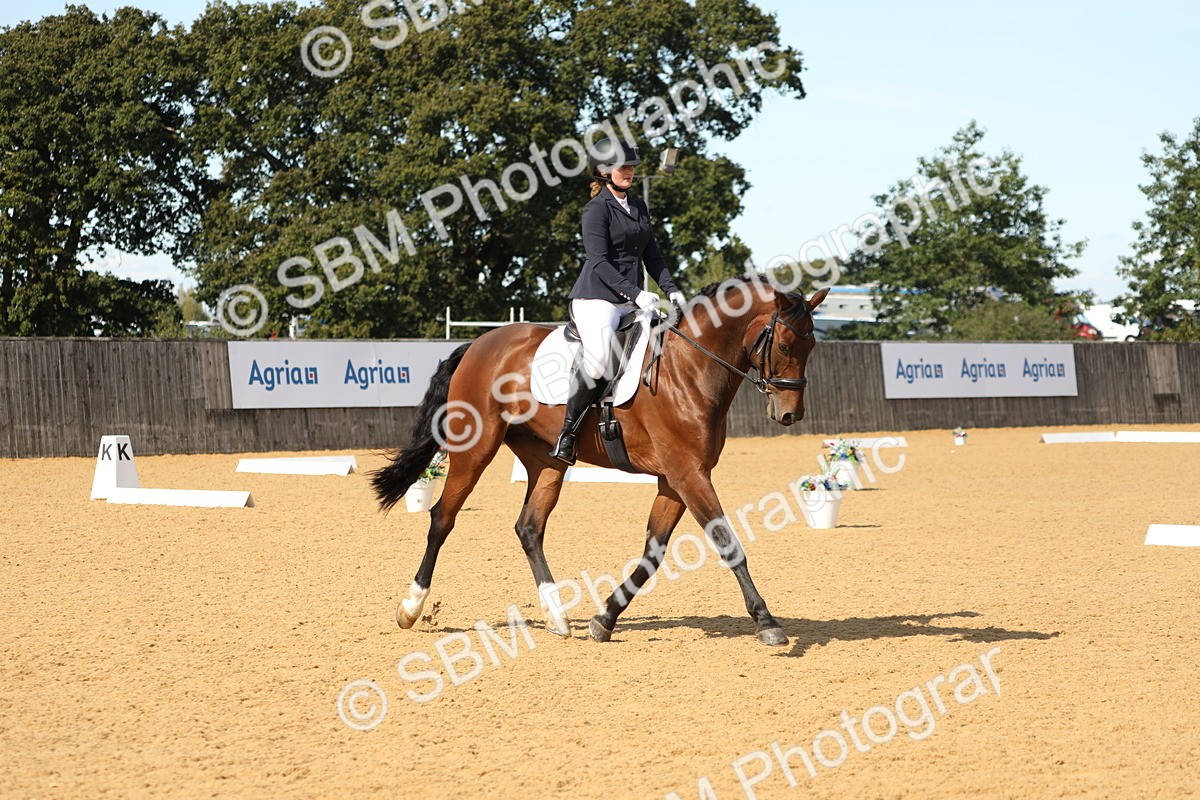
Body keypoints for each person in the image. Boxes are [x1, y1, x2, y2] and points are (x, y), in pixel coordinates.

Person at [549, 138, 686, 464]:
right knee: (598, 358)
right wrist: (637, 293)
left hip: (631, 300)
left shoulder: (638, 205)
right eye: (623, 167)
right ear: (603, 171)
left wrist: (672, 289)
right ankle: (567, 434)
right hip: (596, 298)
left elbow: (652, 254)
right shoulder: (596, 210)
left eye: (631, 167)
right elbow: (599, 261)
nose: (629, 172)